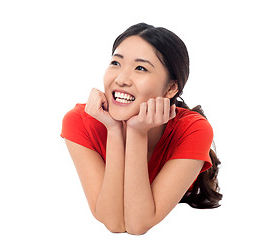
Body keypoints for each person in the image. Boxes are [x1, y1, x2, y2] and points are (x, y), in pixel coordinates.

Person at [60, 23, 222, 235]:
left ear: (171, 88)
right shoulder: (80, 121)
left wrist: (137, 132)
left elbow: (137, 225)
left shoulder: (193, 129)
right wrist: (114, 129)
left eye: (140, 68)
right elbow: (114, 223)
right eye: (116, 63)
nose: (121, 79)